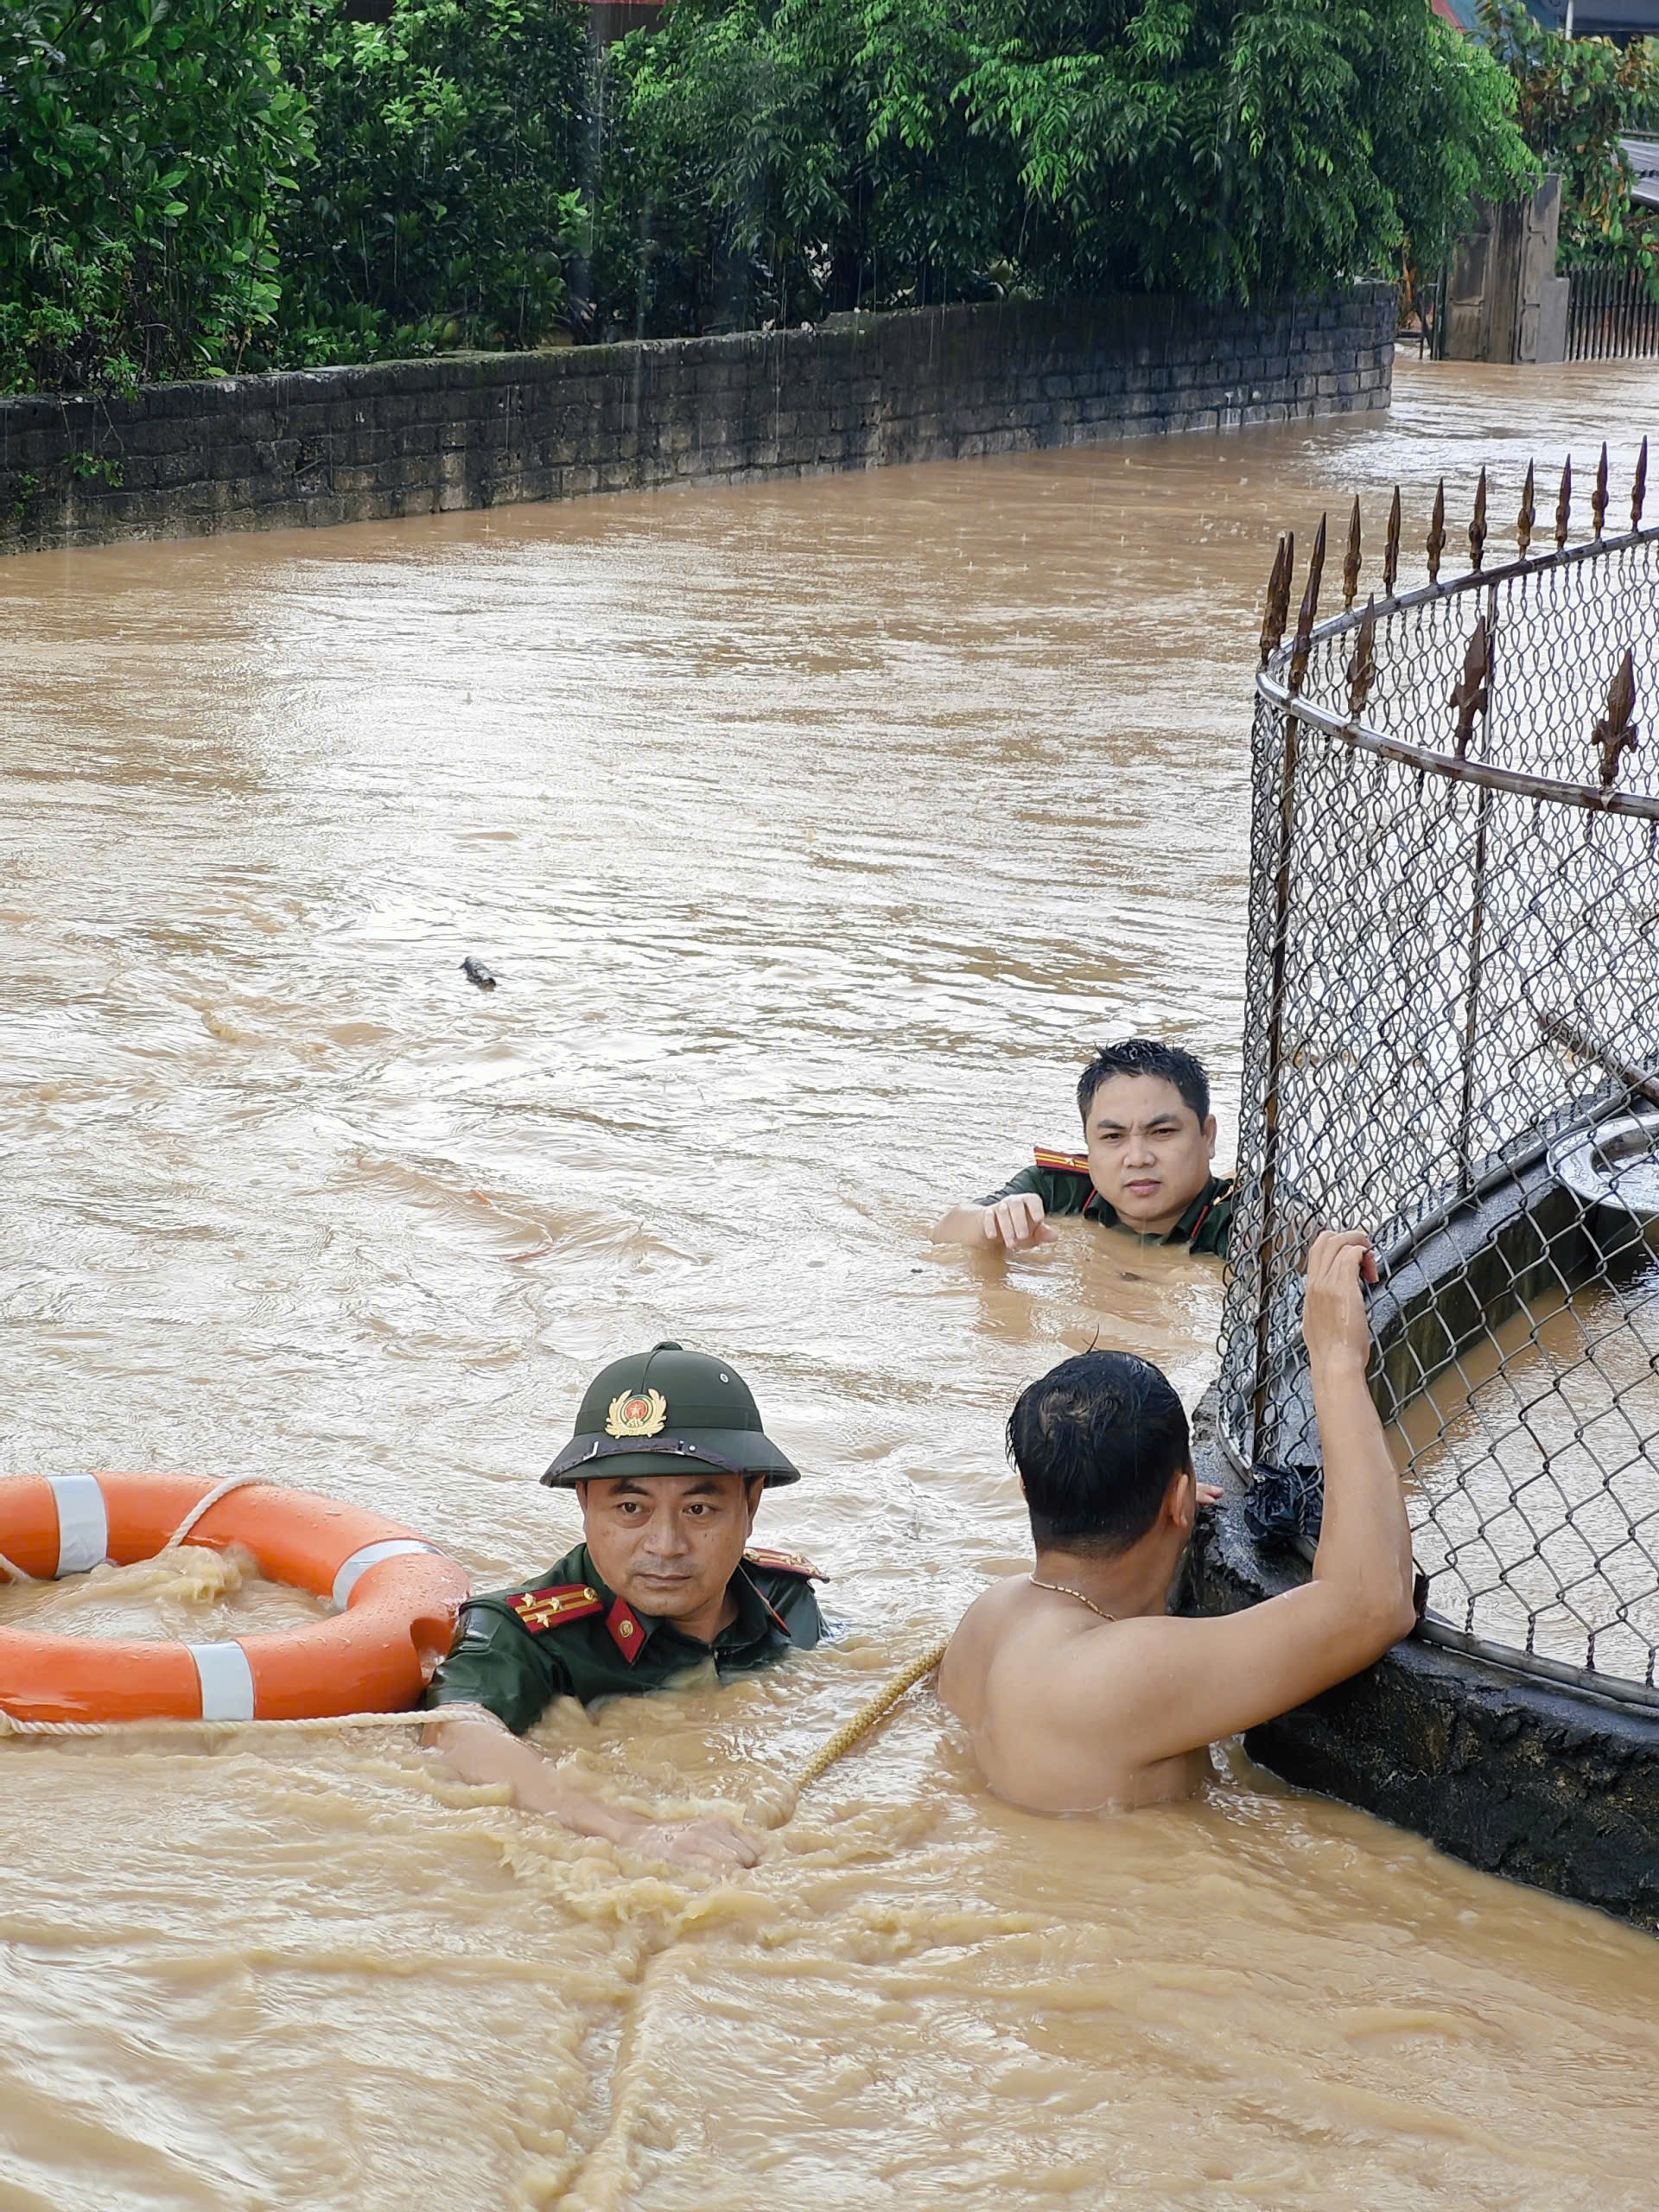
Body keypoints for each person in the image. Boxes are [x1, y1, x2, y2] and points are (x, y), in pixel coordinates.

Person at [938, 1230, 1417, 1813]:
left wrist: (1173, 1507)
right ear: (1180, 1501)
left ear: (1026, 1491)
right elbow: (1374, 1604)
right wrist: (1336, 1361)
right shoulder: (1120, 1673)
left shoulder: (988, 1618)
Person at [424, 1341, 823, 1871]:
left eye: (699, 1509)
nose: (666, 1545)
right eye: (631, 1507)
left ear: (751, 1503)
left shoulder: (785, 1599)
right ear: (585, 1501)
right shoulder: (523, 1634)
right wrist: (632, 1832)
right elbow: (453, 1732)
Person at [931, 1038, 1236, 1256]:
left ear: (1208, 1136)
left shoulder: (1238, 1218)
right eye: (1113, 1137)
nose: (1137, 1158)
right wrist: (992, 1224)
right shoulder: (1059, 1189)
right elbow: (945, 1230)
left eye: (1163, 1132)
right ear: (1089, 1143)